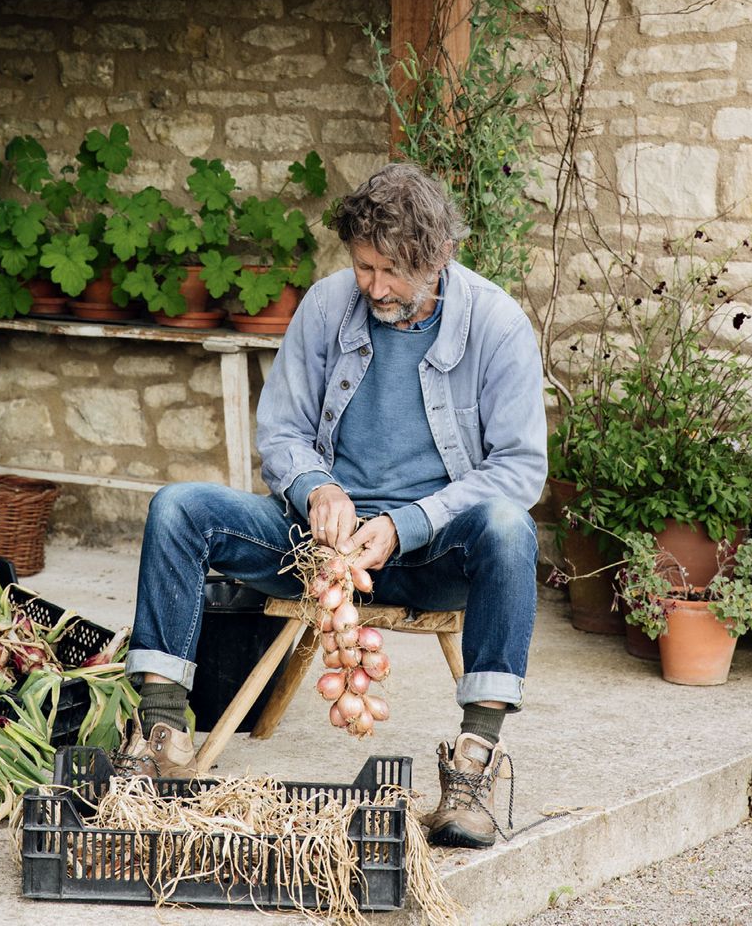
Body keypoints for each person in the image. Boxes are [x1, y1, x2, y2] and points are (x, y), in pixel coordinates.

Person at [119, 162, 547, 848]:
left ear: (439, 257)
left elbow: (521, 470)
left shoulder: (496, 324)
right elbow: (281, 432)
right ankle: (164, 733)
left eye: (390, 272)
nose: (373, 287)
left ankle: (474, 766)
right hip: (312, 547)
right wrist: (318, 488)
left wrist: (404, 525)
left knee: (508, 527)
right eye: (363, 267)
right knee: (178, 508)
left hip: (434, 554)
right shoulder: (326, 305)